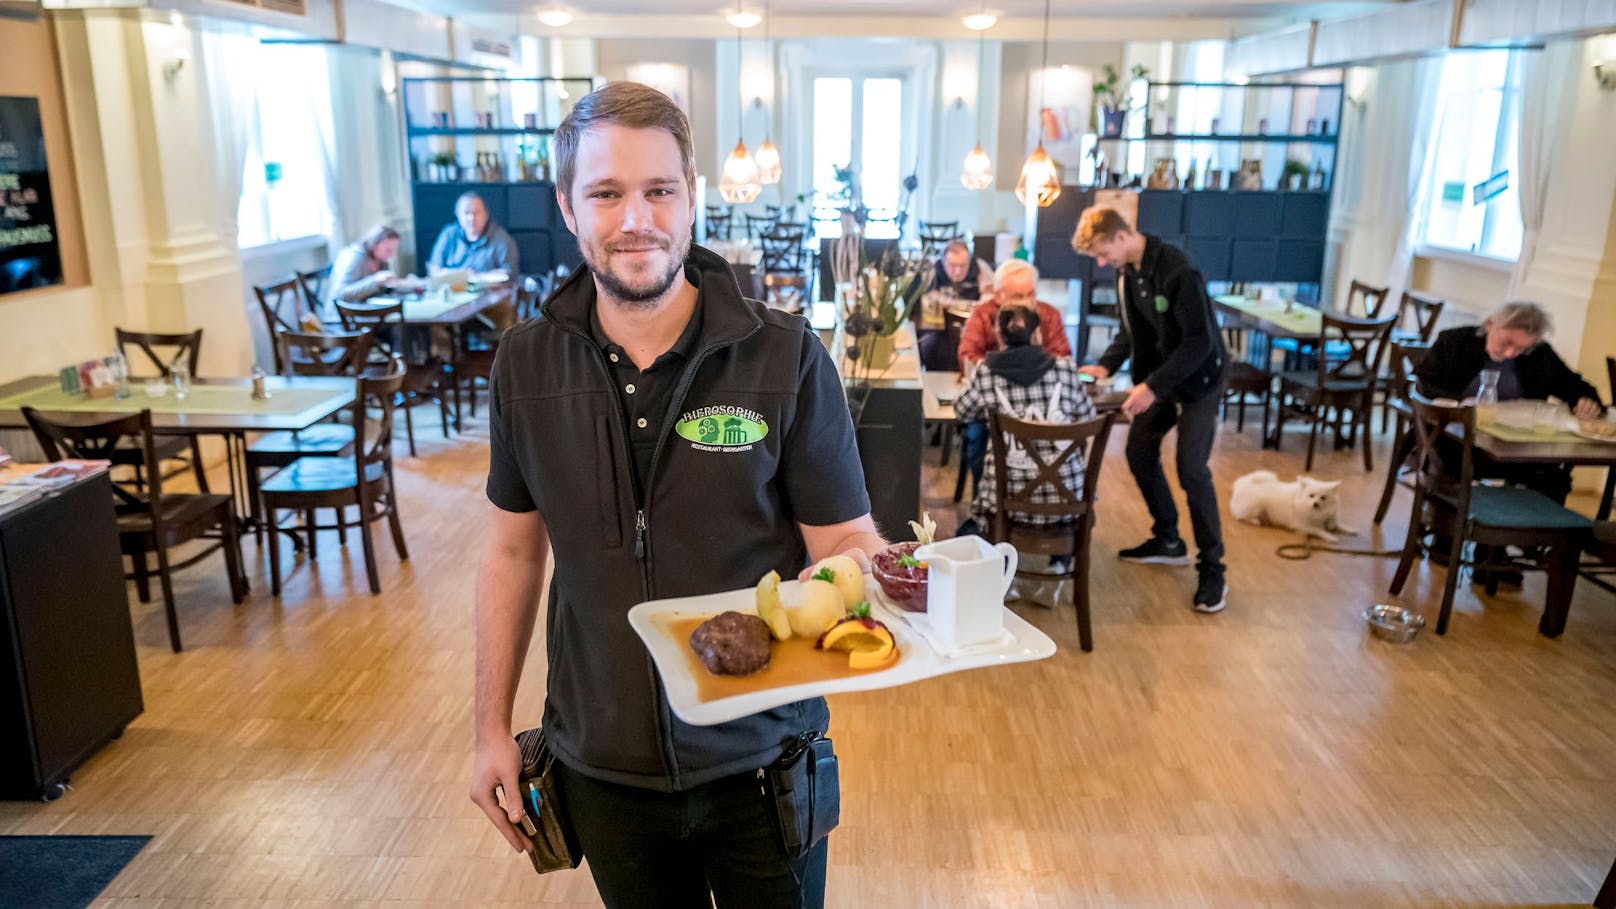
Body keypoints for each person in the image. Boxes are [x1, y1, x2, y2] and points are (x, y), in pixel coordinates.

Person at [470, 82, 885, 909]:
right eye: (607, 193)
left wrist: (862, 582)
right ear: (567, 205)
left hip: (765, 766)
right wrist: (488, 730)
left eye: (660, 189)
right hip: (601, 767)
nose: (637, 219)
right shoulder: (524, 365)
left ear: (691, 196)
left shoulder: (786, 357)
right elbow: (512, 552)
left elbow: (849, 541)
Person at [1072, 206, 1230, 614]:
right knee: (1139, 452)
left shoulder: (1178, 269)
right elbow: (1132, 332)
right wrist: (1105, 365)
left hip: (1199, 381)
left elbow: (1199, 342)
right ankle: (1168, 539)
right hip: (1159, 381)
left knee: (1192, 470)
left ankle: (1213, 570)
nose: (1103, 263)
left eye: (1104, 253)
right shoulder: (1128, 273)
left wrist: (1151, 386)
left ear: (1121, 236)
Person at [1415, 300, 1604, 505]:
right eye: (1506, 342)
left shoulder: (1539, 355)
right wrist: (1459, 402)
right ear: (1489, 324)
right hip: (1453, 439)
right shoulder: (1454, 342)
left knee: (1553, 476)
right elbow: (1422, 385)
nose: (1510, 353)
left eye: (1522, 348)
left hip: (1513, 447)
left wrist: (1586, 401)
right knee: (1451, 465)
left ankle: (1537, 533)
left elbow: (1576, 386)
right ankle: (1448, 529)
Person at [953, 303, 1095, 538]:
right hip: (1067, 503)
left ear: (999, 334)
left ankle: (995, 559)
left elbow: (962, 411)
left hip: (1005, 503)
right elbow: (1088, 416)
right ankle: (1059, 562)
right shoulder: (1066, 369)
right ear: (1037, 334)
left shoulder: (986, 372)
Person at [954, 259, 1074, 504]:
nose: (1027, 302)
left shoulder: (1048, 314)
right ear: (999, 294)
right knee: (977, 433)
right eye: (1018, 295)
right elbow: (968, 354)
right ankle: (987, 500)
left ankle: (1042, 499)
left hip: (1043, 409)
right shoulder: (983, 314)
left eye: (1031, 294)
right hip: (996, 408)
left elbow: (1062, 354)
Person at [429, 191, 519, 275]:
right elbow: (434, 267)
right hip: (452, 289)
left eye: (477, 212)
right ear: (458, 215)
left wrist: (477, 277)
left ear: (486, 214)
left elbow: (509, 272)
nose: (471, 218)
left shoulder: (502, 239)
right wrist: (461, 274)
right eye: (466, 213)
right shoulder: (448, 234)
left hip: (487, 290)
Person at [327, 224, 401, 307]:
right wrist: (374, 281)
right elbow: (340, 295)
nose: (391, 254)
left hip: (369, 311)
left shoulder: (382, 261)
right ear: (375, 243)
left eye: (393, 250)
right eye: (388, 249)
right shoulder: (355, 257)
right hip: (344, 316)